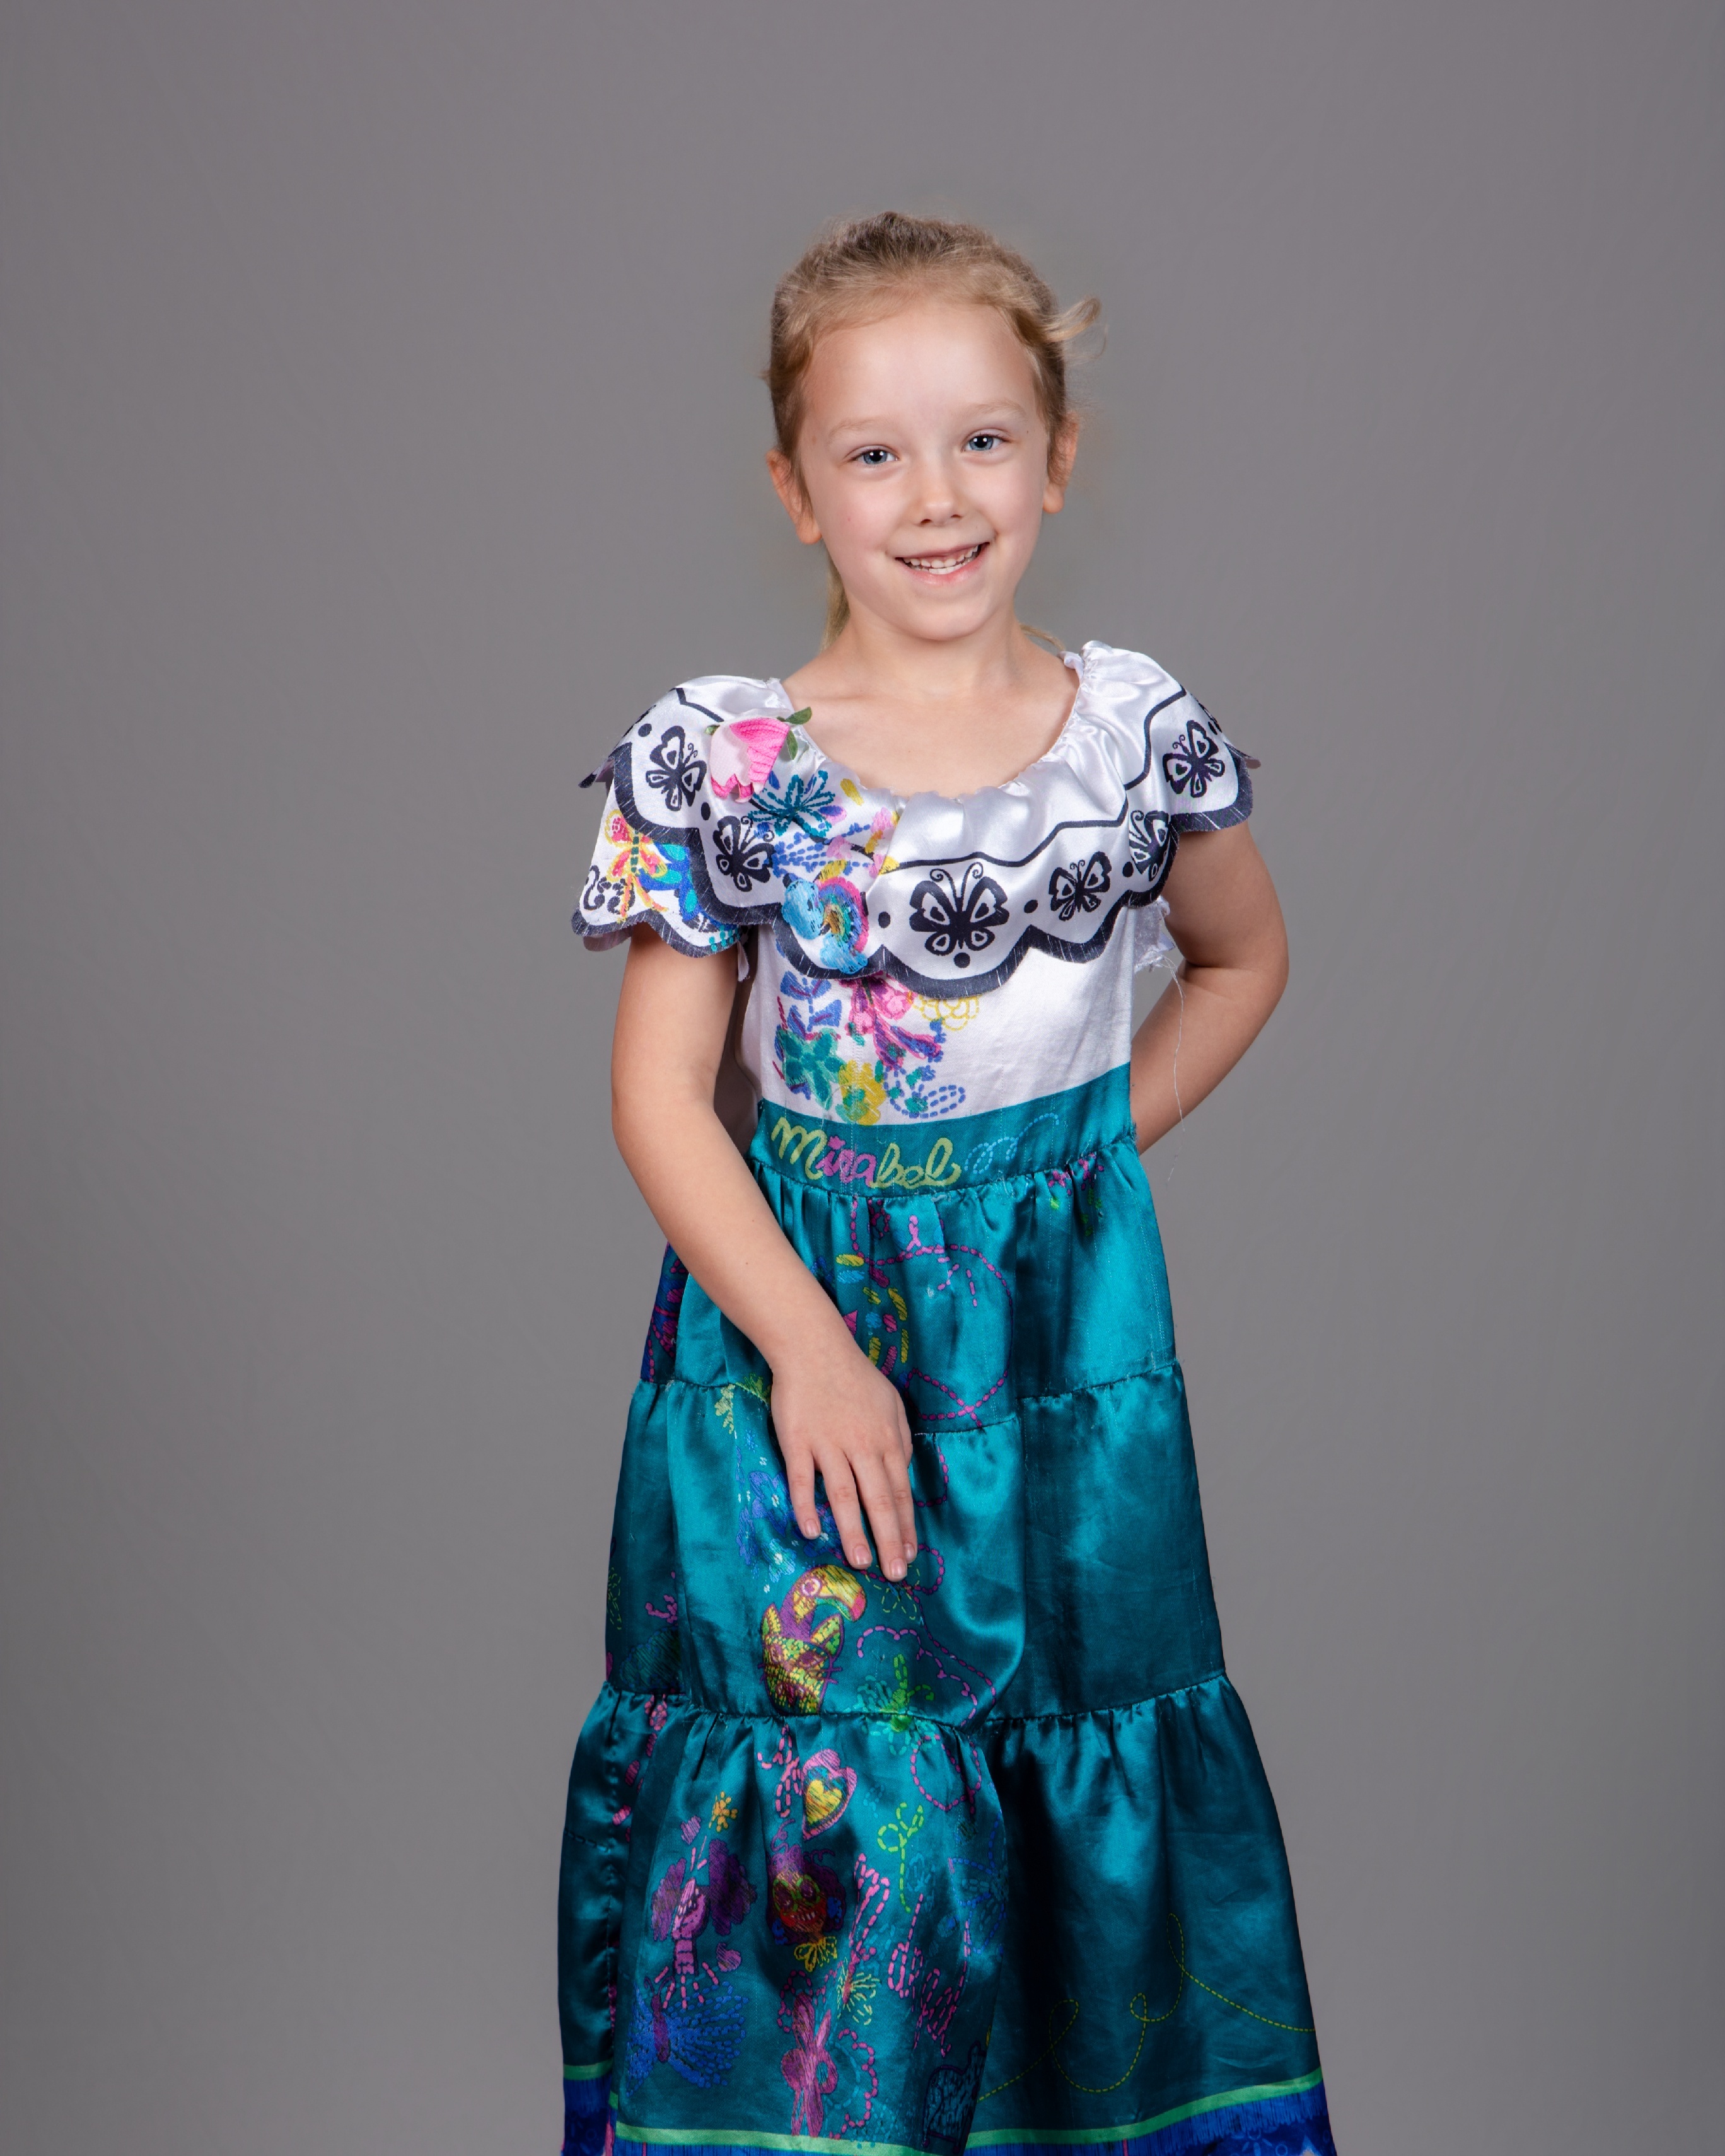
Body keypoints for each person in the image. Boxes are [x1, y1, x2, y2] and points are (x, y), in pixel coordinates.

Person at [558, 211, 1334, 2156]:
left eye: (984, 440)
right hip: (801, 1364)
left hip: (1068, 1373)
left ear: (1057, 458)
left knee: (1075, 1771)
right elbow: (660, 1101)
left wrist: (1076, 1160)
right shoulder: (734, 759)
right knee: (837, 1822)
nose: (936, 496)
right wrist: (816, 1354)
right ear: (795, 488)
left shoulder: (1131, 736)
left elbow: (1243, 957)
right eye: (875, 452)